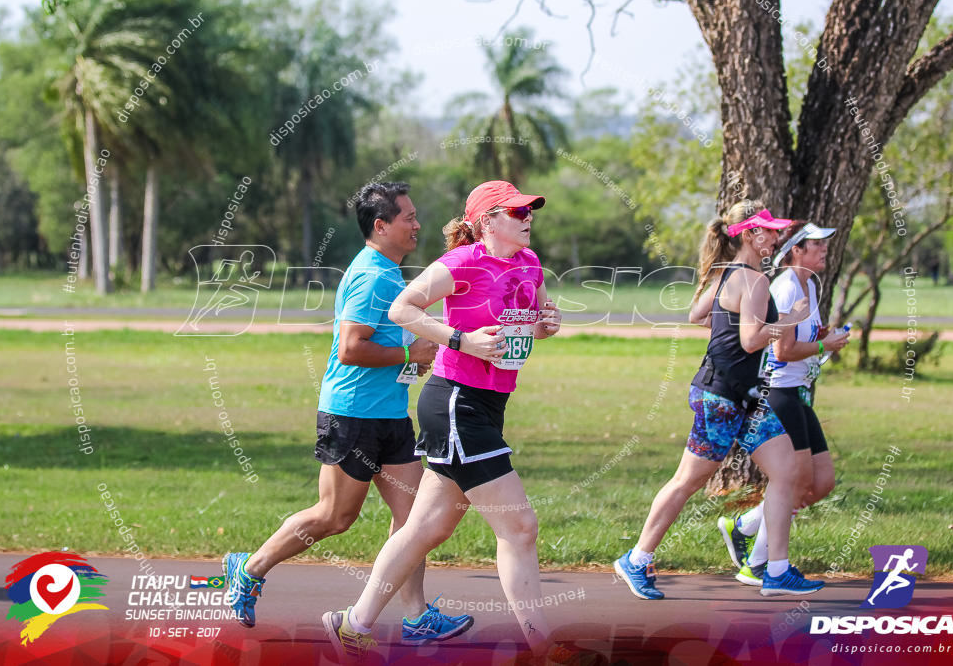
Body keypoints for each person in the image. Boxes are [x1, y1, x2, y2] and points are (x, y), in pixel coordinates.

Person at [322, 180, 566, 661]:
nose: (528, 215)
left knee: (425, 528)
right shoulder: (462, 262)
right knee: (519, 528)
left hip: (489, 404)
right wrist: (461, 341)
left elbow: (530, 320)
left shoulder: (530, 264)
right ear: (487, 221)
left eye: (529, 209)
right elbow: (402, 308)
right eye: (516, 211)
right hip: (456, 401)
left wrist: (546, 322)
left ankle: (353, 624)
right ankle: (544, 648)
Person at [221, 182, 473, 644]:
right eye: (408, 218)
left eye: (416, 216)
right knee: (335, 517)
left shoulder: (390, 273)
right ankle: (250, 567)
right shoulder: (373, 276)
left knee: (415, 519)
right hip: (352, 414)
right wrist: (410, 353)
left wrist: (414, 354)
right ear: (381, 226)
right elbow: (352, 348)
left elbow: (387, 340)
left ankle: (417, 617)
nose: (418, 225)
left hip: (391, 416)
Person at [614, 201, 826, 599]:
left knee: (786, 472)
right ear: (750, 234)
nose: (777, 237)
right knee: (687, 481)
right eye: (771, 230)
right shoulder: (755, 280)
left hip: (742, 397)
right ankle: (637, 559)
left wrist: (731, 317)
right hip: (722, 398)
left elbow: (697, 314)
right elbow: (750, 340)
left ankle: (776, 571)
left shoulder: (731, 273)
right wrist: (790, 319)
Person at [717, 221, 850, 586]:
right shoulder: (787, 287)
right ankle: (758, 564)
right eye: (817, 245)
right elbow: (783, 350)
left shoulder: (807, 284)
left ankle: (743, 525)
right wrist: (826, 347)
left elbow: (798, 337)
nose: (824, 250)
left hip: (798, 394)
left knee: (821, 483)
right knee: (795, 481)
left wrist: (820, 335)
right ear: (797, 251)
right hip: (778, 393)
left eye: (825, 245)